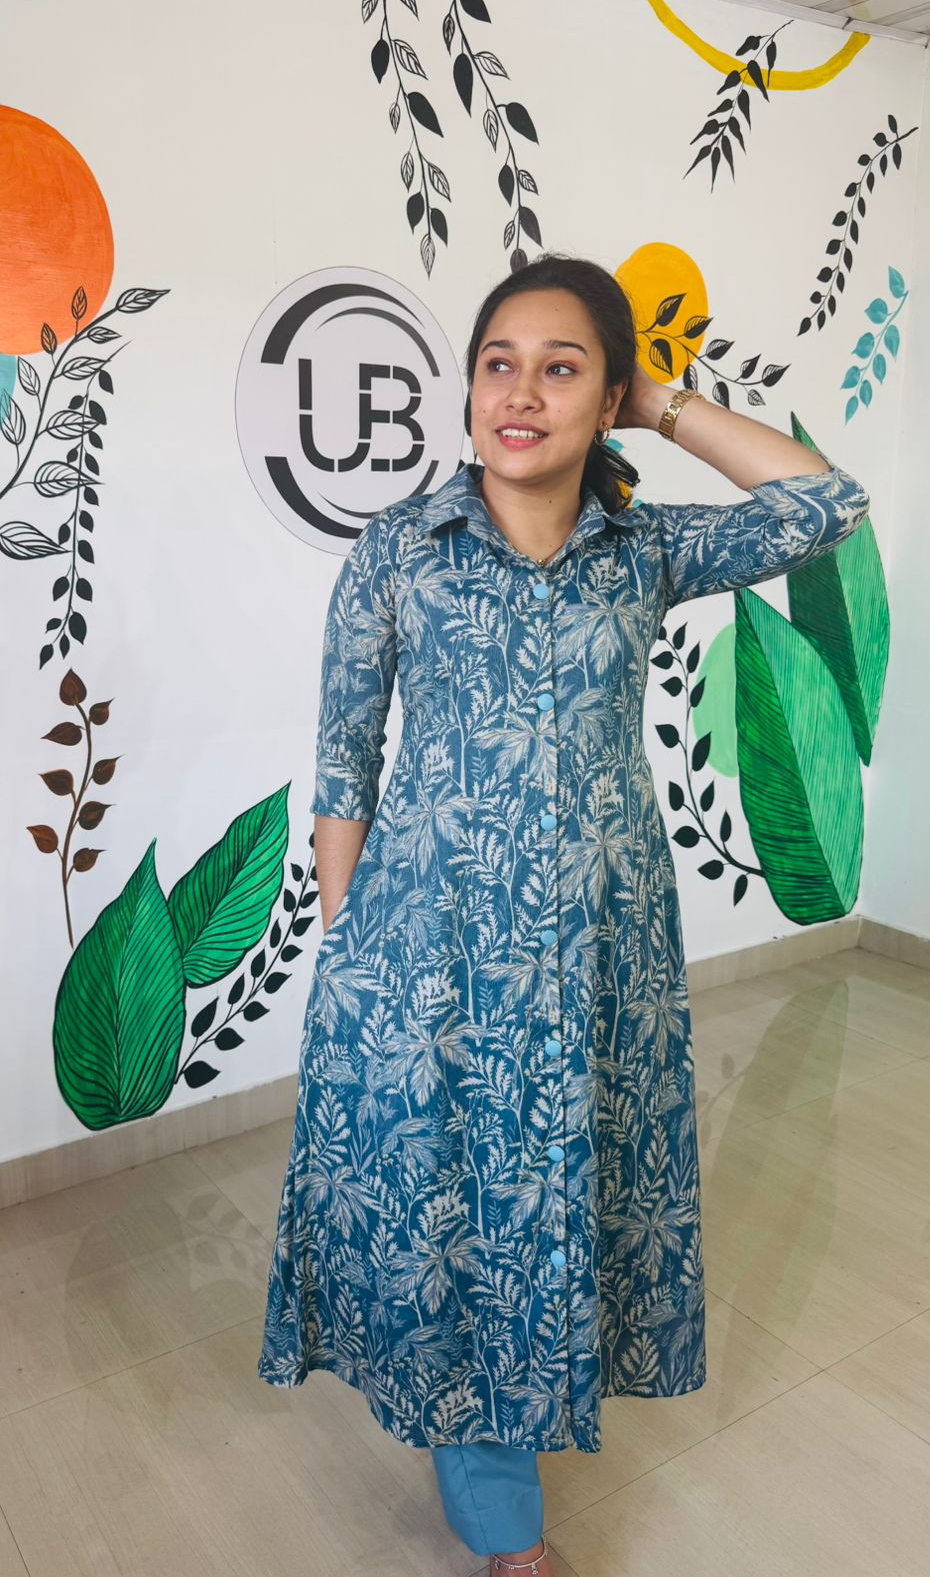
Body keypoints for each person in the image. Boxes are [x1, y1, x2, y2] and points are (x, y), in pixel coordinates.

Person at [257, 253, 871, 1575]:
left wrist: (661, 403)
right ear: (466, 389)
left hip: (600, 950)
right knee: (455, 1211)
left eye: (561, 368)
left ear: (604, 399)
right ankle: (507, 1530)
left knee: (560, 1196)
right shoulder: (400, 551)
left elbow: (827, 504)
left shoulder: (645, 551)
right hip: (428, 953)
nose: (521, 394)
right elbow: (345, 758)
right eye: (499, 365)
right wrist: (349, 943)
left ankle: (523, 1440)